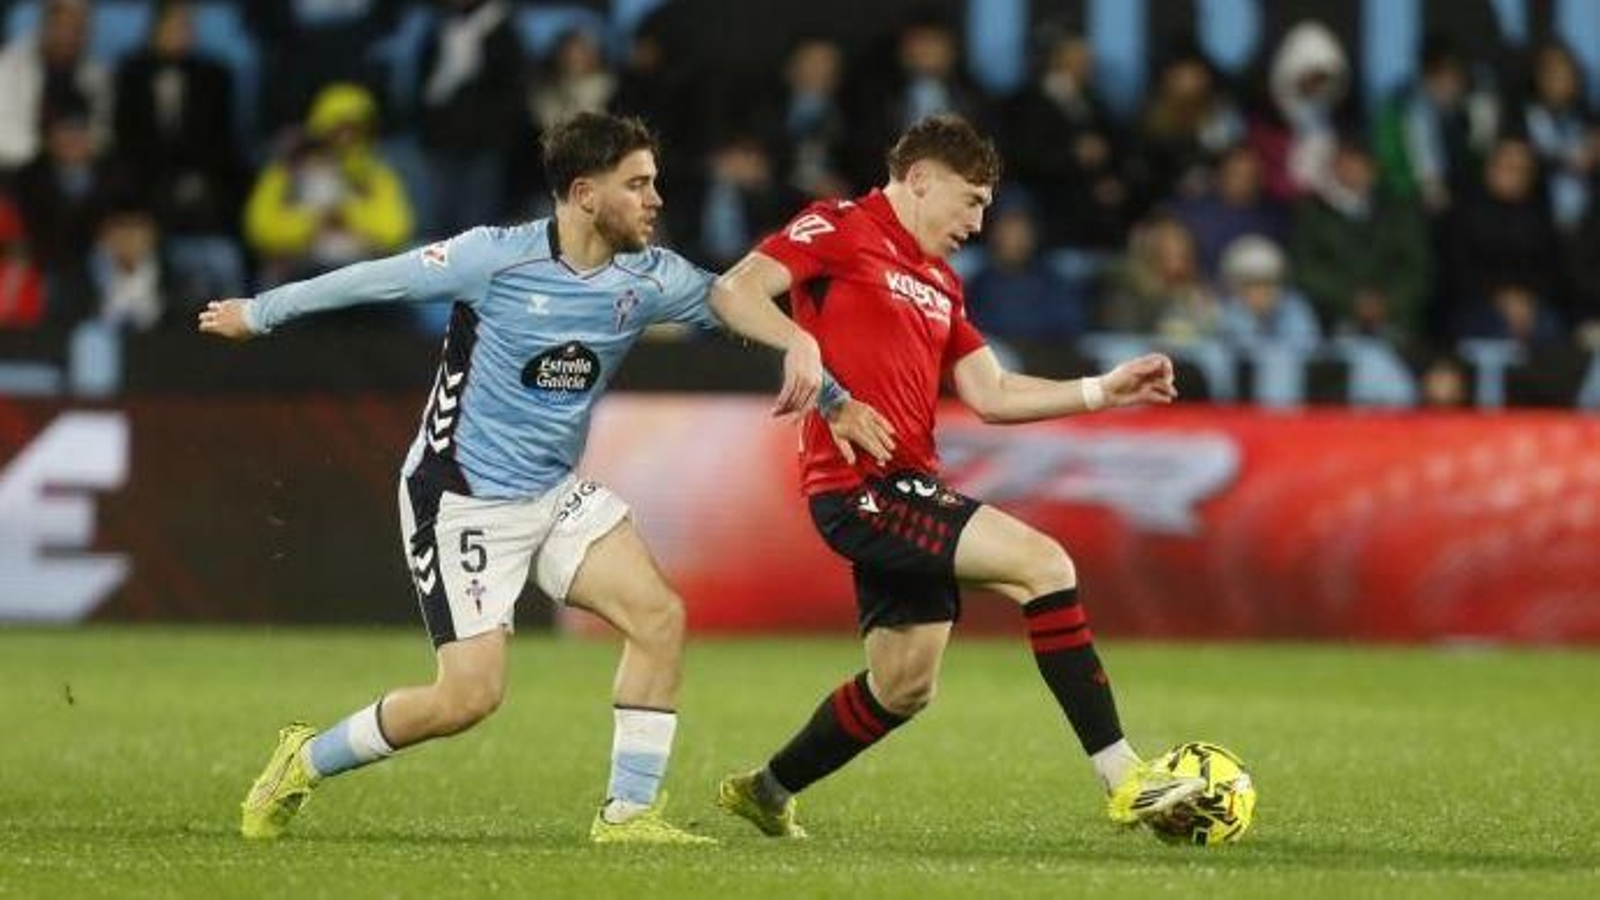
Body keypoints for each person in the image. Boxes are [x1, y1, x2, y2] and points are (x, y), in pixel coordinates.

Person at [199, 113, 891, 845]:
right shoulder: (492, 259)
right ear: (585, 194)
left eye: (654, 181)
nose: (656, 198)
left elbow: (735, 302)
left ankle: (627, 816)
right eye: (638, 184)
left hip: (554, 493)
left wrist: (830, 389)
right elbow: (375, 278)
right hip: (460, 498)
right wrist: (260, 313)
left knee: (658, 618)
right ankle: (303, 758)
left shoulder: (650, 277)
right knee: (467, 699)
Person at [708, 114, 1195, 839]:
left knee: (905, 685)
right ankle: (1126, 779)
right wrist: (814, 363)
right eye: (969, 201)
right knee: (1044, 564)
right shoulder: (839, 226)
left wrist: (1102, 390)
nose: (977, 222)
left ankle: (766, 791)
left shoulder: (940, 281)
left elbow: (992, 393)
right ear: (921, 180)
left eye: (985, 207)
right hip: (861, 488)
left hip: (904, 485)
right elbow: (734, 292)